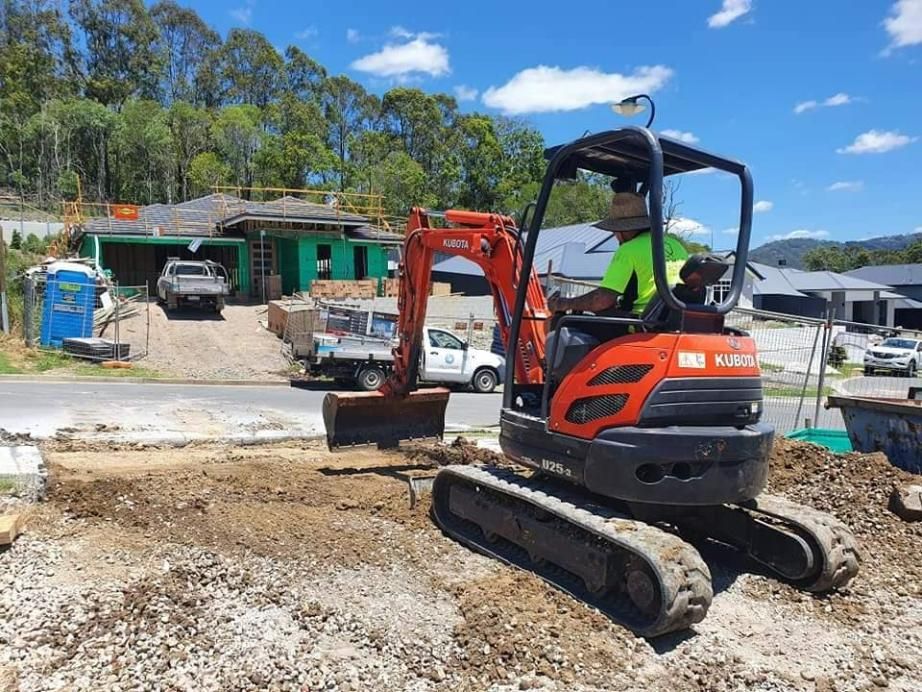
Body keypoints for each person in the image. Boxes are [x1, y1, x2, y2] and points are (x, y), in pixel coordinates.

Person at [547, 192, 688, 316]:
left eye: (614, 231)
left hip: (641, 322)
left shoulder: (628, 249)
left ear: (622, 230)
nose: (615, 236)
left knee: (566, 326)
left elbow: (601, 300)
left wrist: (564, 303)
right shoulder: (677, 246)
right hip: (673, 320)